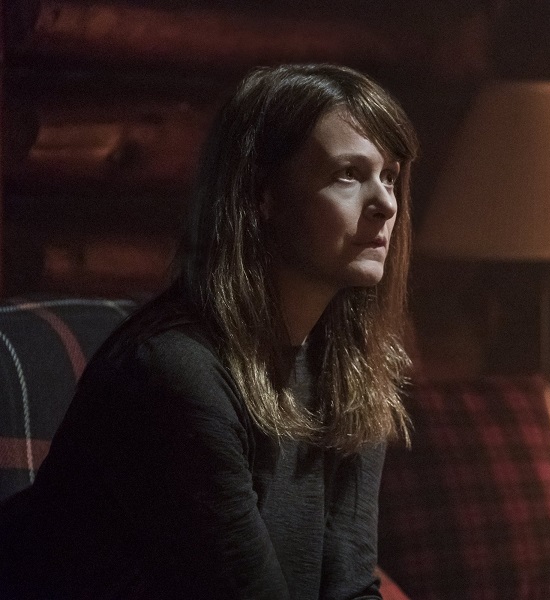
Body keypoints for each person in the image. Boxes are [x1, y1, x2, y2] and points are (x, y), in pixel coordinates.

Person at [0, 63, 418, 599]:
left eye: (390, 175)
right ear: (263, 196)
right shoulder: (177, 370)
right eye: (348, 174)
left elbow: (352, 587)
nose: (385, 203)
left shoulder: (351, 368)